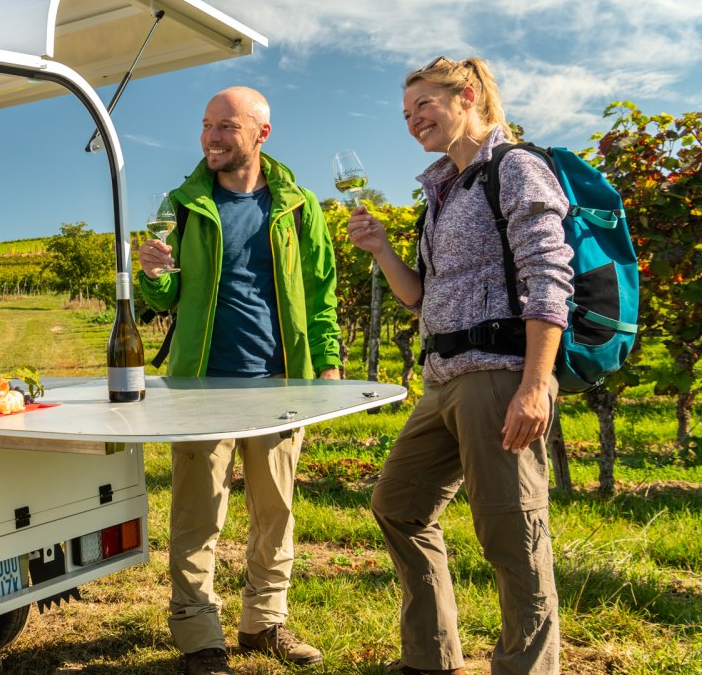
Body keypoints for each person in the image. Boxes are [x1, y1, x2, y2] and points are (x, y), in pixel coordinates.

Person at [345, 57, 571, 675]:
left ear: (468, 96)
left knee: (511, 538)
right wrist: (383, 249)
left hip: (498, 377)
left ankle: (527, 668)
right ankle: (430, 658)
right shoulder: (444, 188)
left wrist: (534, 385)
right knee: (398, 505)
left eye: (424, 105)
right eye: (406, 111)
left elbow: (550, 281)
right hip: (441, 381)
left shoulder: (515, 168)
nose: (413, 119)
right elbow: (421, 295)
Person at [137, 87, 341, 675]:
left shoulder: (298, 207)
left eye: (226, 126)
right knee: (197, 515)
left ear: (261, 134)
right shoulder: (184, 205)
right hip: (201, 385)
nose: (211, 138)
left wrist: (325, 366)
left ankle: (263, 622)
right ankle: (200, 633)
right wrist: (152, 275)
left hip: (280, 383)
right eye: (205, 126)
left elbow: (322, 294)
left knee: (275, 511)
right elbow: (166, 296)